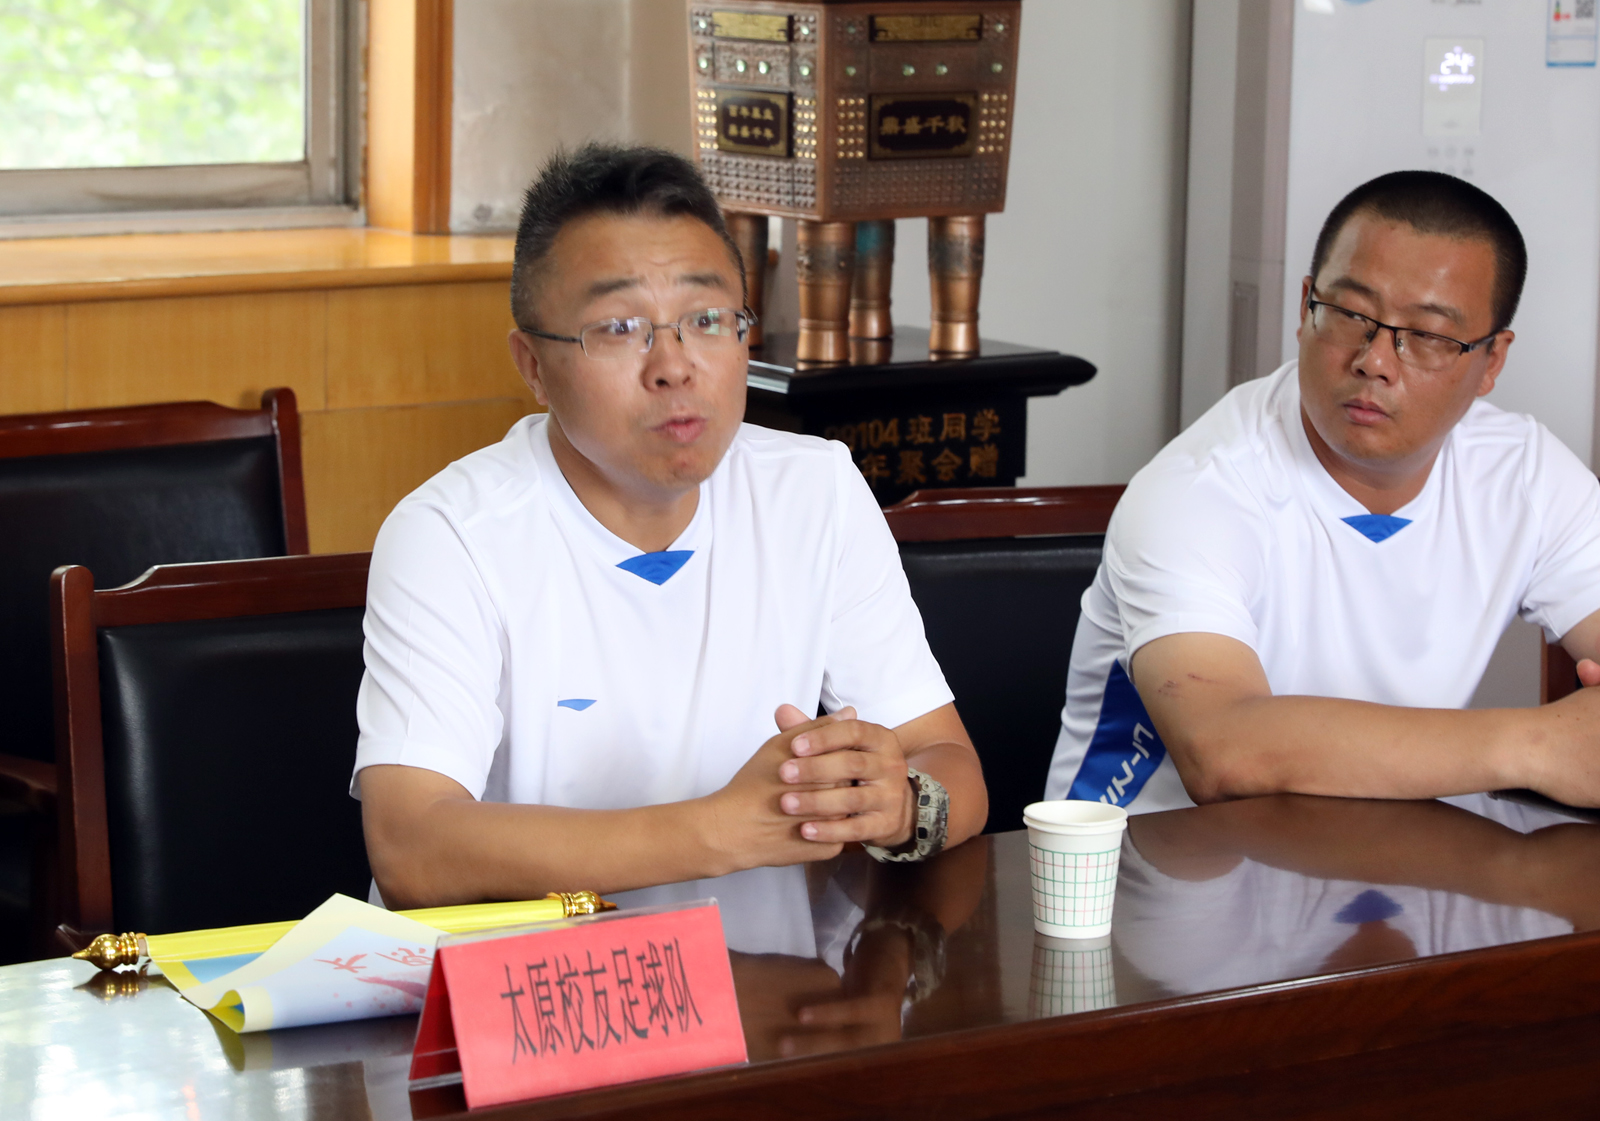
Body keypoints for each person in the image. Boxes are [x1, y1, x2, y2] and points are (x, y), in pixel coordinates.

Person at [353, 143, 986, 908]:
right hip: (537, 977)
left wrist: (901, 803)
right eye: (620, 327)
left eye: (708, 319)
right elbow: (412, 846)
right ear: (533, 365)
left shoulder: (814, 490)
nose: (675, 365)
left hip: (765, 976)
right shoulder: (449, 535)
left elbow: (946, 760)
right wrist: (722, 829)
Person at [1045, 170, 1600, 814]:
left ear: (1491, 360)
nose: (1375, 361)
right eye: (1352, 314)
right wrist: (1536, 745)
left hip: (1376, 855)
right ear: (1306, 306)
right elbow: (1223, 751)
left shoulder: (1524, 474)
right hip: (1146, 860)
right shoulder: (1195, 489)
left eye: (1427, 335)